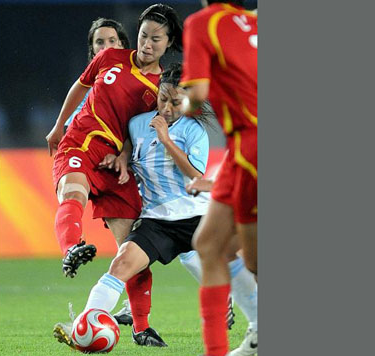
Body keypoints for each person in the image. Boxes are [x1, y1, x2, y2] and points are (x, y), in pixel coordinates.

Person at [55, 62, 258, 349]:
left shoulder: (193, 131)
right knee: (122, 263)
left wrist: (166, 139)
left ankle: (251, 319)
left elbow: (195, 176)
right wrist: (122, 158)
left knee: (241, 267)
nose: (167, 107)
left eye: (175, 102)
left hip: (197, 216)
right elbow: (128, 143)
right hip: (157, 220)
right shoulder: (139, 123)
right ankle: (86, 325)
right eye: (163, 98)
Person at [46, 2, 183, 344]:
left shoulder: (159, 90)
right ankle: (71, 248)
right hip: (80, 142)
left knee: (132, 248)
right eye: (143, 35)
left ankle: (141, 326)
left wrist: (124, 154)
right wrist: (59, 125)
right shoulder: (110, 59)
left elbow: (139, 128)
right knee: (72, 192)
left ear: (168, 44)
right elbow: (80, 86)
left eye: (156, 39)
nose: (147, 44)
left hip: (116, 166)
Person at [179, 1, 258, 355]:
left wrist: (181, 105)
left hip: (252, 144)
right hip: (239, 150)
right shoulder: (254, 23)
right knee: (209, 244)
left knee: (256, 260)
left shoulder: (202, 23)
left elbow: (196, 96)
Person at [64, 18, 131, 130]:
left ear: (122, 44)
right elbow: (71, 125)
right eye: (100, 42)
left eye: (112, 41)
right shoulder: (86, 86)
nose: (106, 48)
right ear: (92, 48)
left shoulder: (138, 77)